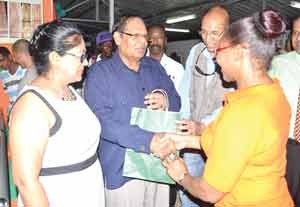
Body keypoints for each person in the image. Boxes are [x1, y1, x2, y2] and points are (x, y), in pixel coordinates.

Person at [162, 9, 294, 207]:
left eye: (220, 51)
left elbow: (209, 192)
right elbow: (234, 145)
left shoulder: (242, 112)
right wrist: (184, 140)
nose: (216, 59)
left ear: (241, 52)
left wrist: (181, 175)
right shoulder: (274, 93)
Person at [84, 15, 181, 207]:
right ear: (118, 38)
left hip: (157, 165)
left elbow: (177, 102)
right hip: (121, 170)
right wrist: (147, 140)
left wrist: (165, 100)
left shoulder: (154, 67)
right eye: (135, 35)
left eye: (144, 37)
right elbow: (102, 121)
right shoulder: (100, 73)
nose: (143, 42)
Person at [9, 20, 105, 207]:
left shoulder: (69, 90)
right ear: (55, 57)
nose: (85, 62)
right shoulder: (32, 106)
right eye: (80, 56)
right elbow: (26, 182)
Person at [177, 5, 231, 206]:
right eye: (204, 32)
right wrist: (184, 125)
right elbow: (184, 91)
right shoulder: (196, 52)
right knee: (189, 190)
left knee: (217, 193)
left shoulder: (236, 56)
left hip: (220, 141)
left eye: (215, 33)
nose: (208, 40)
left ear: (228, 30)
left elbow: (232, 103)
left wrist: (203, 126)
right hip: (192, 138)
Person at [269, 15, 300, 206]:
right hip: (290, 147)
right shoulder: (279, 63)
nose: (298, 38)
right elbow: (262, 97)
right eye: (295, 33)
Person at [148, 25, 184, 91]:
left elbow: (181, 96)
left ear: (165, 41)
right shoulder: (137, 64)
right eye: (151, 38)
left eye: (159, 38)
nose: (155, 41)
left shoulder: (177, 68)